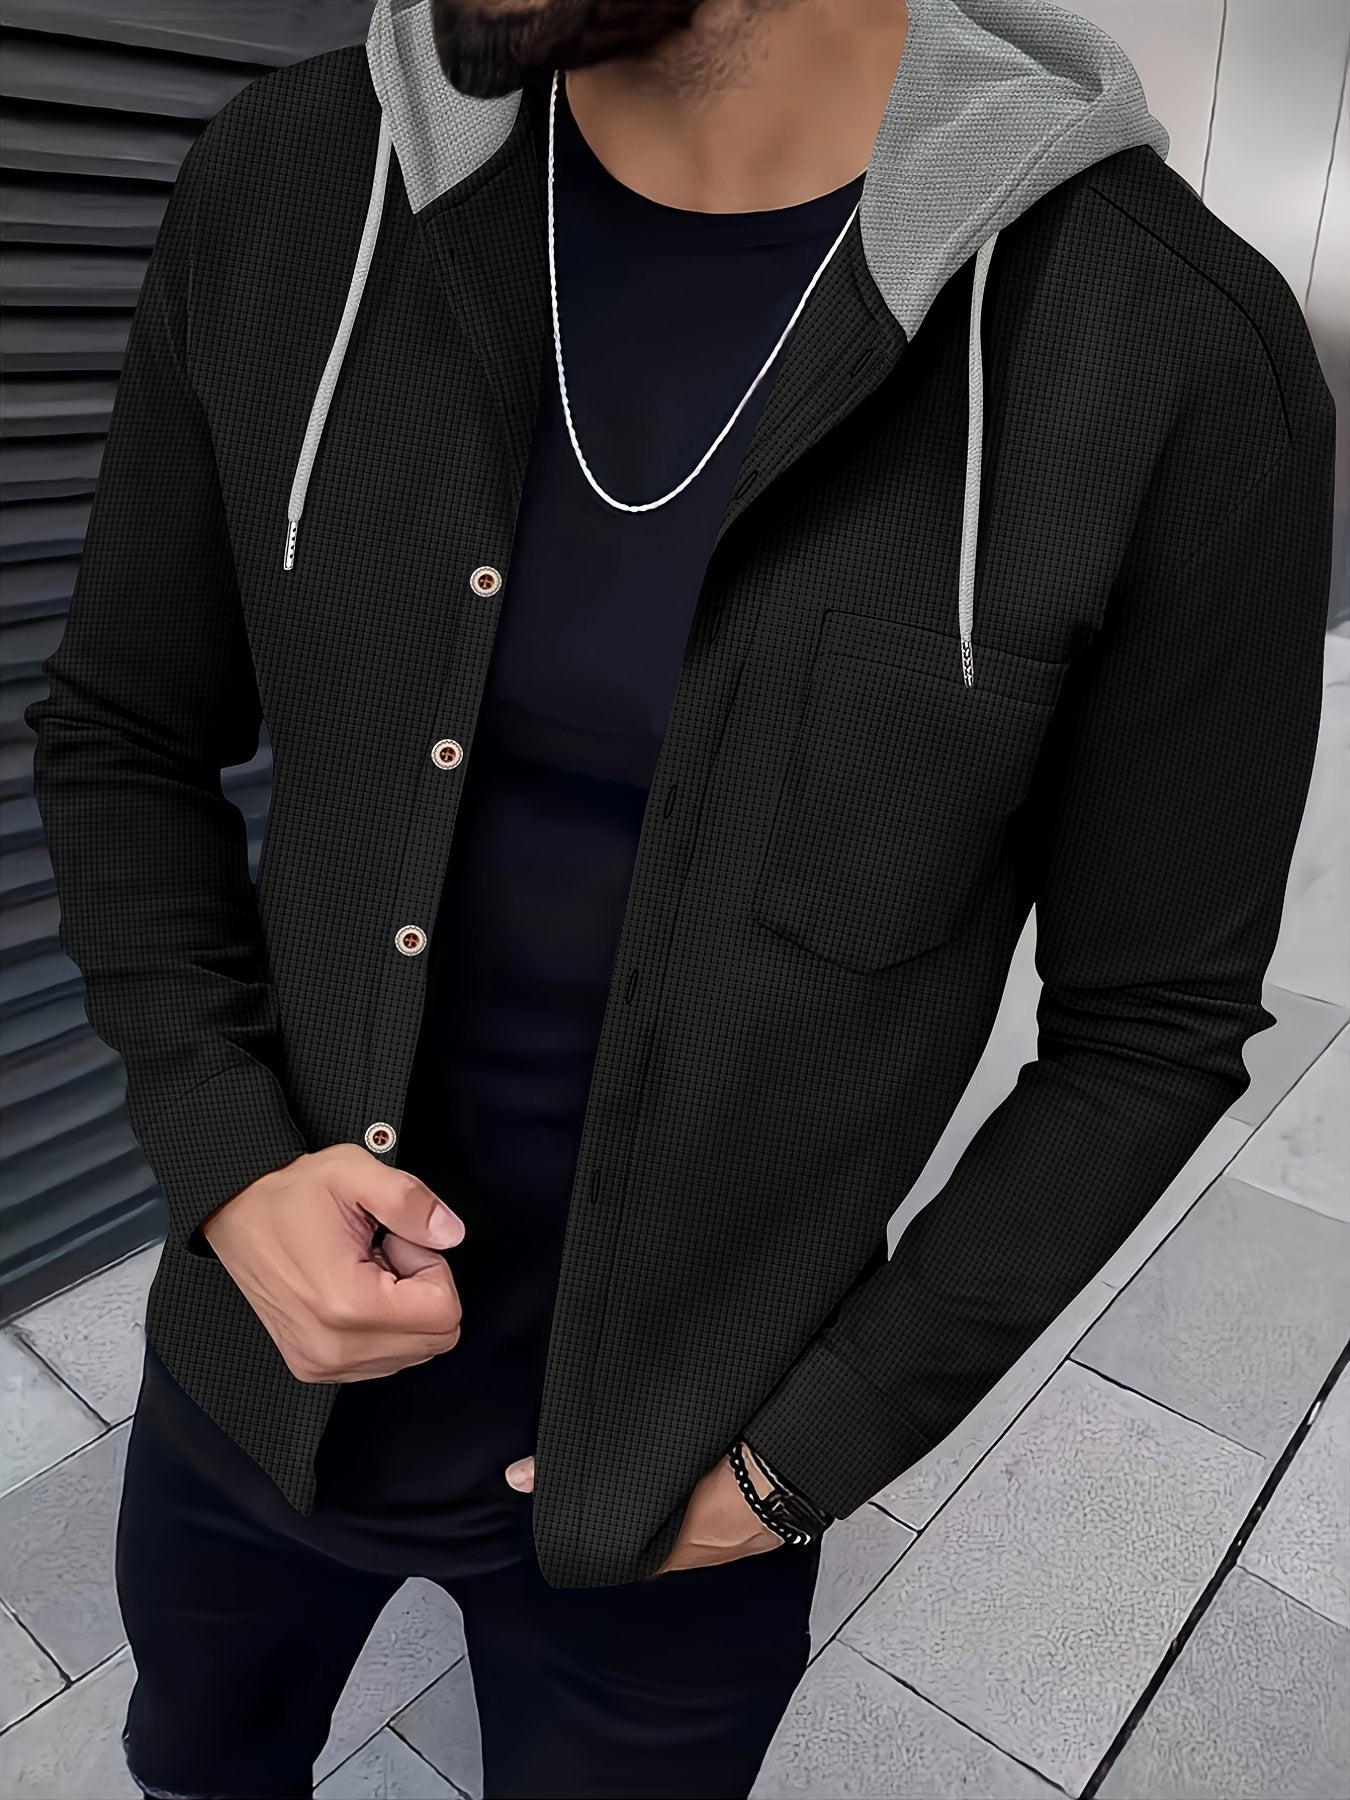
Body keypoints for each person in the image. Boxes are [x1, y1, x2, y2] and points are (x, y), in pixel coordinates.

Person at [24, 0, 1336, 1793]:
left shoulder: (1165, 347)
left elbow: (1150, 1025)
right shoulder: (296, 182)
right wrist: (227, 1163)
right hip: (243, 1389)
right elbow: (121, 729)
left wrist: (803, 1463)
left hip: (681, 1497)